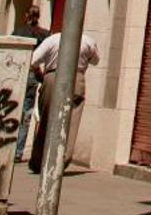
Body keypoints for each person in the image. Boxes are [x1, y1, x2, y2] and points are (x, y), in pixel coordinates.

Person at [28, 27, 99, 175]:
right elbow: (96, 61)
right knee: (71, 121)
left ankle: (38, 160)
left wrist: (39, 73)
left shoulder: (52, 40)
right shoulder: (87, 41)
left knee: (46, 119)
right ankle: (61, 161)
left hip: (52, 76)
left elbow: (33, 60)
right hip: (77, 78)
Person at [11, 7, 44, 164]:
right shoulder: (43, 34)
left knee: (12, 109)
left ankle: (8, 147)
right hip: (32, 75)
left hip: (17, 73)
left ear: (26, 15)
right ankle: (18, 152)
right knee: (26, 113)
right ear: (38, 16)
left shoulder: (18, 32)